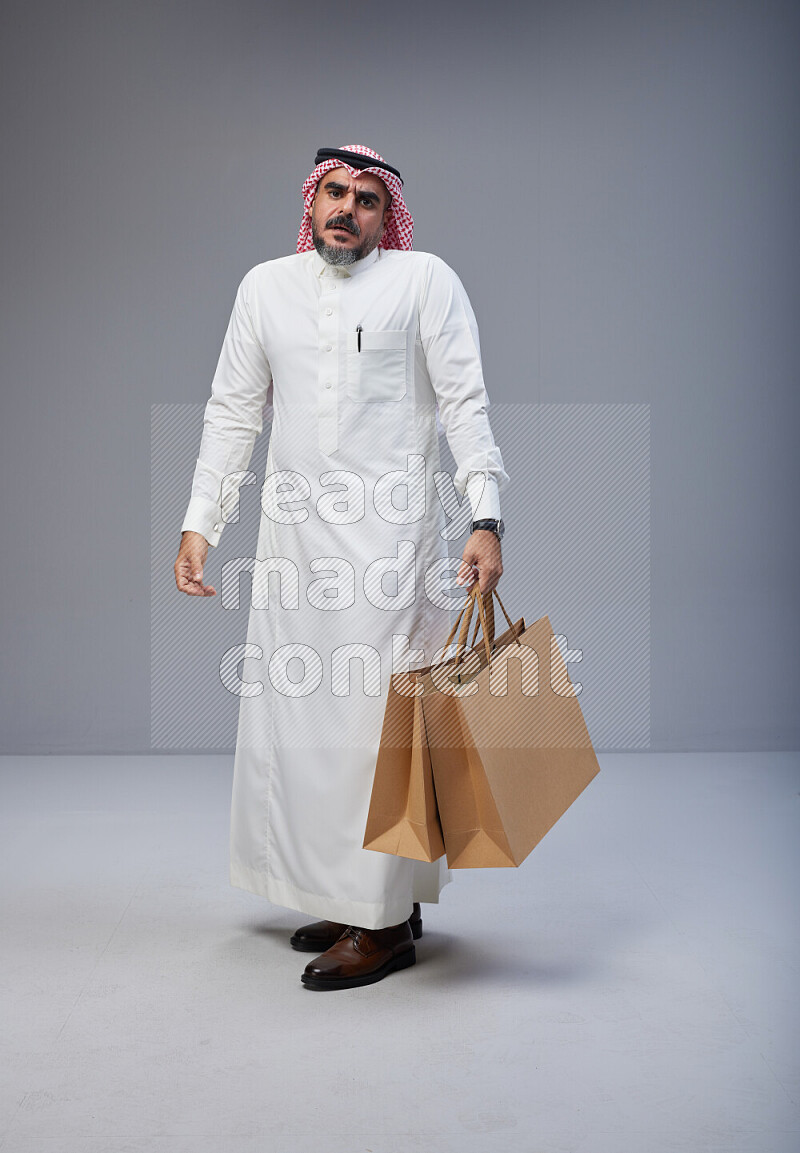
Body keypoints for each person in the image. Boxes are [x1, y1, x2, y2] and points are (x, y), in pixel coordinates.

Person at [174, 144, 509, 991]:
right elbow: (233, 410)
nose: (347, 209)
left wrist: (485, 515)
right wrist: (200, 524)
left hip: (390, 547)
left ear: (384, 211)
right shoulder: (266, 289)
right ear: (311, 198)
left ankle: (384, 920)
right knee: (305, 733)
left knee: (375, 733)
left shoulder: (424, 280)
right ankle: (356, 893)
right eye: (334, 192)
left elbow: (465, 401)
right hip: (294, 552)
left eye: (366, 198)